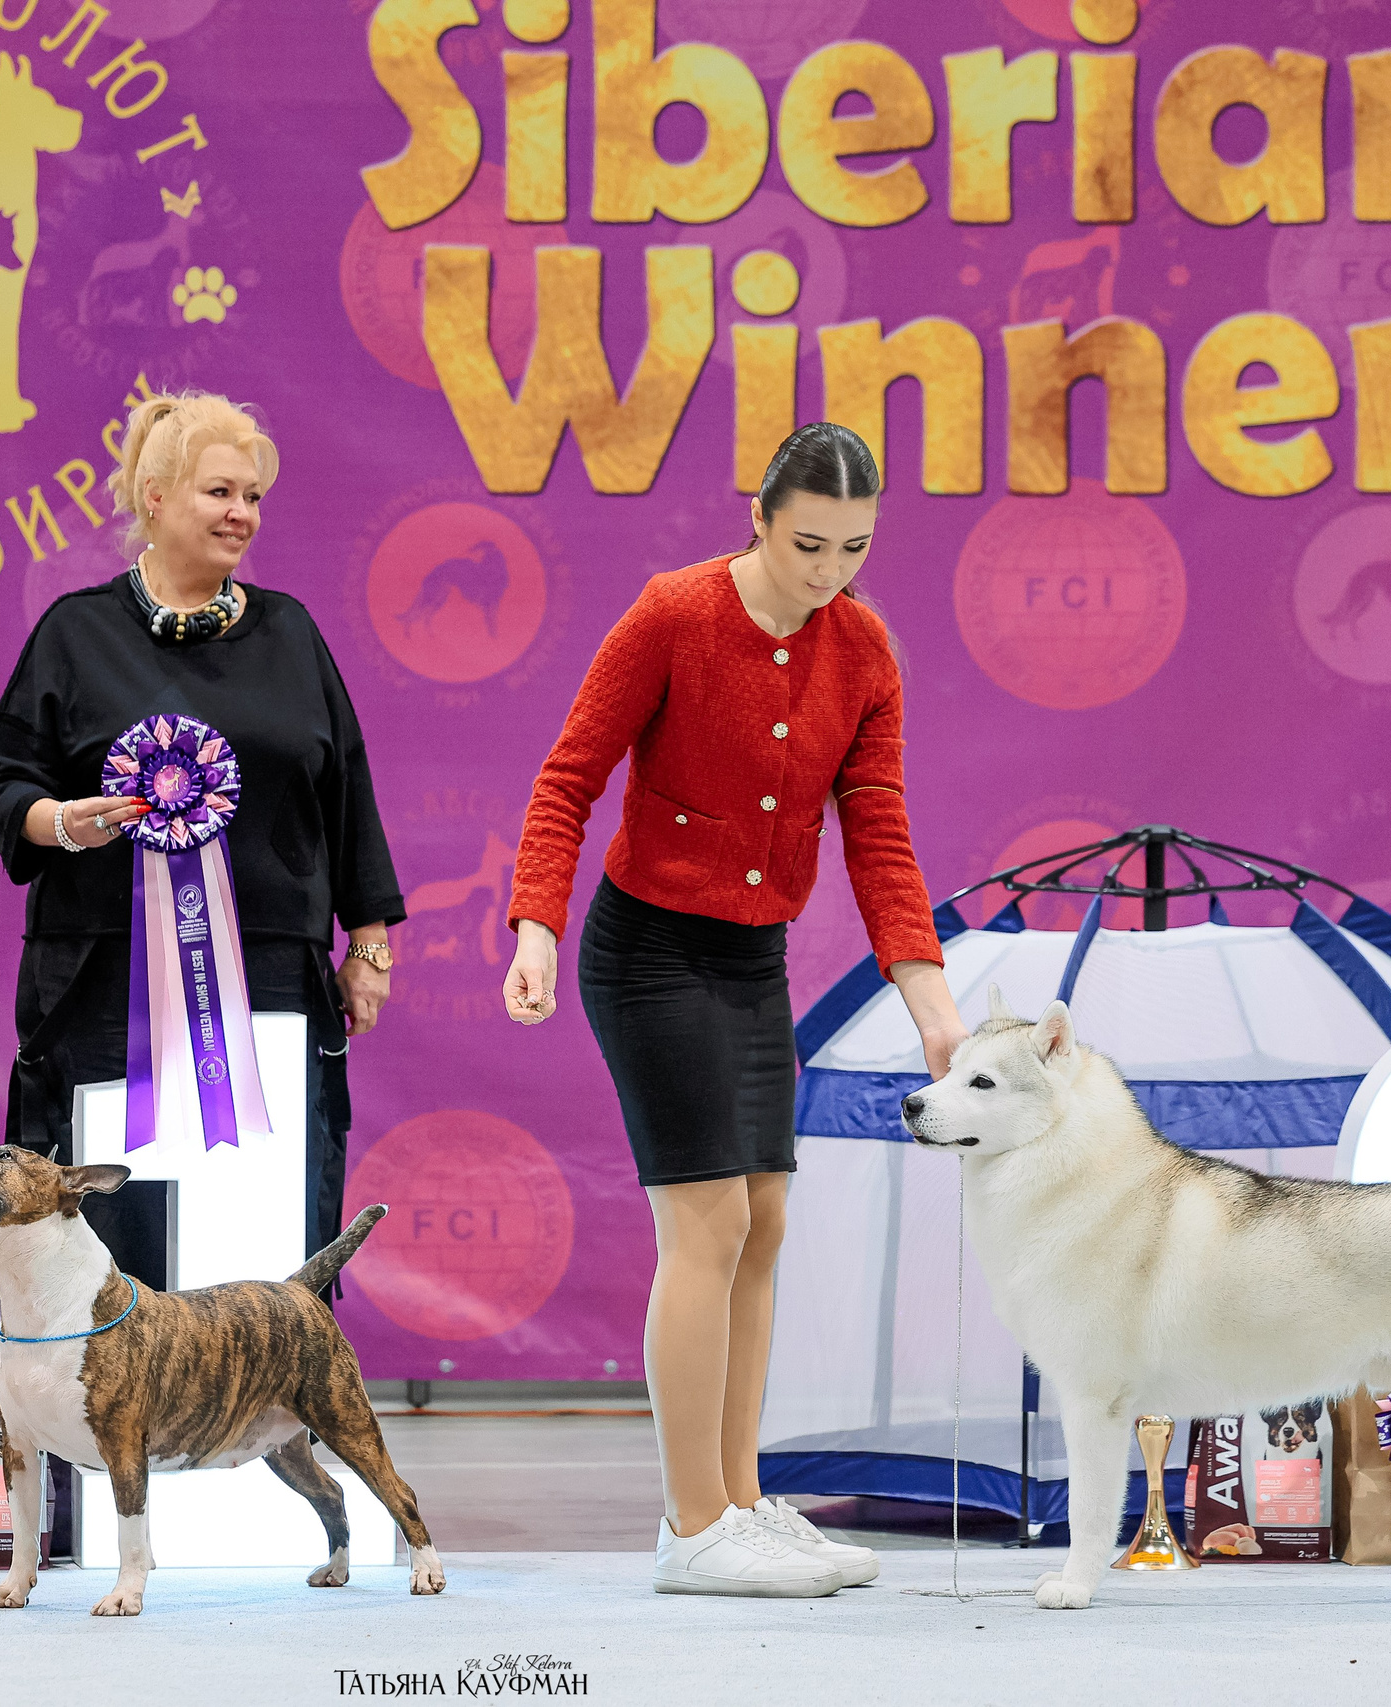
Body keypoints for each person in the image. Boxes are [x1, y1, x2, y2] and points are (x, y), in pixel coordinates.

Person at [502, 423, 966, 1597]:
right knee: (704, 1227)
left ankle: (744, 1502)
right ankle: (689, 1523)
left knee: (763, 1226)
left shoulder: (864, 651)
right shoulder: (671, 612)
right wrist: (535, 928)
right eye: (808, 543)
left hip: (752, 960)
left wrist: (930, 995)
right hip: (646, 951)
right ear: (758, 517)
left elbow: (879, 834)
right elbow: (568, 778)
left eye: (854, 549)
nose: (827, 572)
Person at [0, 391, 404, 1273]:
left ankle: (264, 1413)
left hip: (274, 982)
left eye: (252, 496)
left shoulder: (292, 632)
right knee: (101, 1247)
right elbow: (6, 775)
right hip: (102, 988)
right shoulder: (75, 633)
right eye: (220, 492)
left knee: (262, 1242)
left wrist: (368, 949)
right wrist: (60, 821)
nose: (241, 514)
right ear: (157, 498)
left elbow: (347, 789)